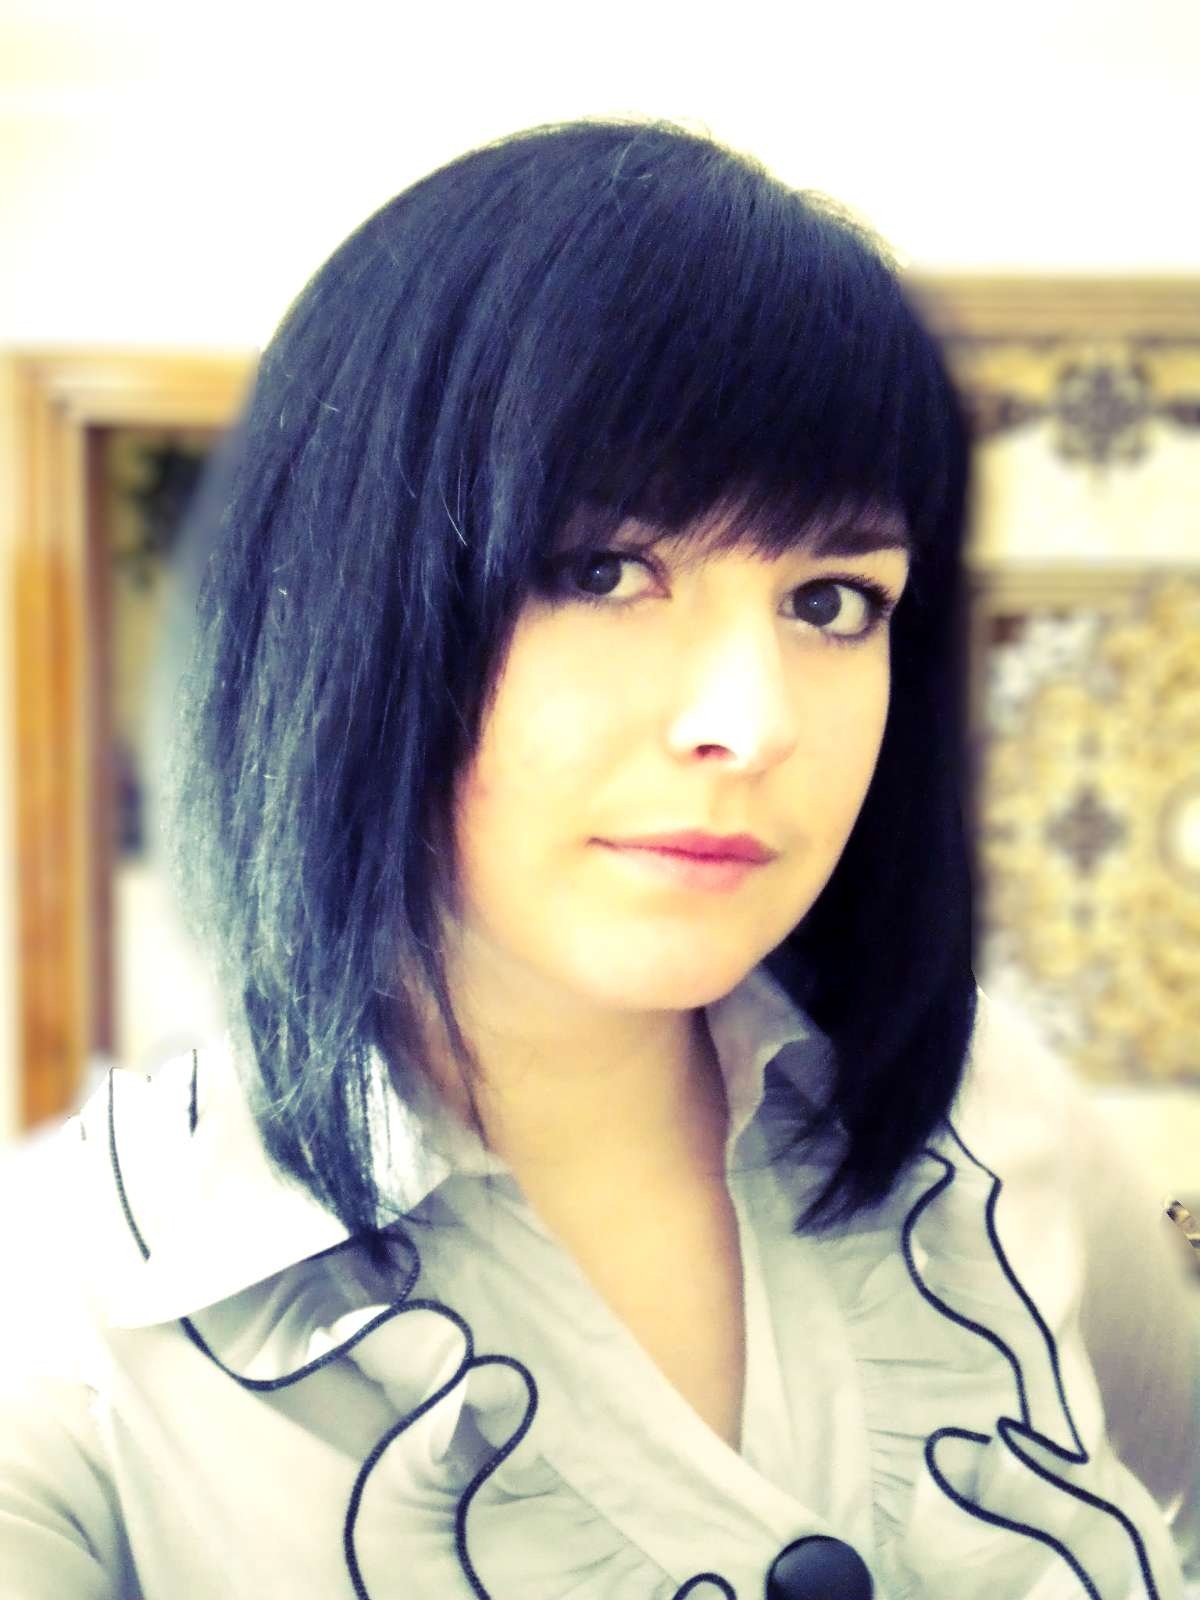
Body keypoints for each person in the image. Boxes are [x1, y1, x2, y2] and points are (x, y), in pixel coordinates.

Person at [1, 117, 1197, 1600]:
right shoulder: (68, 1315)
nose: (752, 724)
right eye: (602, 571)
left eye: (832, 600)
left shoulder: (996, 1115)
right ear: (350, 607)